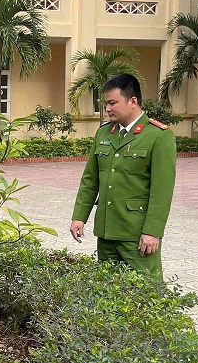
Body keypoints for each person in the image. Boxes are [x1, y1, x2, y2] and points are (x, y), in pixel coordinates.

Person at [70, 73, 176, 279]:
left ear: (133, 101)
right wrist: (79, 217)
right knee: (107, 293)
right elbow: (91, 179)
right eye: (105, 104)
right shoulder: (103, 134)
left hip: (136, 234)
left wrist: (152, 231)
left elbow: (161, 190)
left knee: (145, 293)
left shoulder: (158, 136)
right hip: (107, 231)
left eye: (112, 103)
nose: (107, 109)